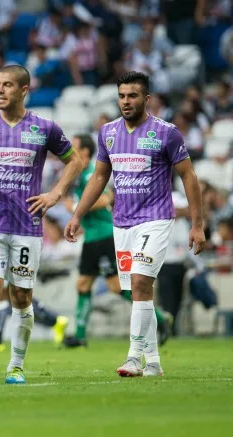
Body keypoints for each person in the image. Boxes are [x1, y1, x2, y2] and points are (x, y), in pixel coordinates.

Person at [65, 71, 206, 378]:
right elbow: (99, 177)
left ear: (147, 99)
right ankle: (153, 362)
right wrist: (77, 215)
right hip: (122, 223)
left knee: (141, 283)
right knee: (138, 291)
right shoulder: (108, 132)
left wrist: (198, 224)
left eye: (132, 95)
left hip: (155, 219)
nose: (126, 101)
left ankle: (133, 358)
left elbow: (189, 176)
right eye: (122, 96)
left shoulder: (166, 133)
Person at [0, 65, 83, 385]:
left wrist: (55, 194)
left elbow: (75, 160)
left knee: (21, 296)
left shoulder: (44, 128)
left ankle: (16, 366)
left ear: (23, 90)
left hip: (26, 225)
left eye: (7, 85)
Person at [63, 134, 171, 348]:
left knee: (116, 286)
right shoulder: (80, 175)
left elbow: (105, 199)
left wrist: (75, 207)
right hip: (91, 238)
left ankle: (159, 318)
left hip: (104, 237)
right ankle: (80, 335)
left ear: (85, 151)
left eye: (74, 147)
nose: (70, 151)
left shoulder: (90, 175)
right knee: (83, 283)